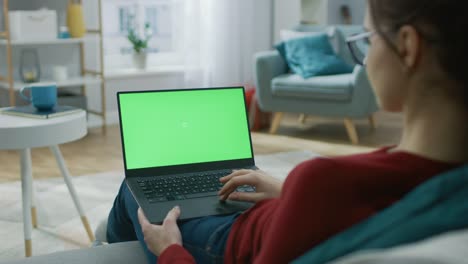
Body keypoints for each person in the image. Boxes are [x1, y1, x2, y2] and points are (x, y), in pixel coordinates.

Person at [106, 1, 468, 263]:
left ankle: (106, 251)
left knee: (132, 189)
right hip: (274, 213)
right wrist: (288, 192)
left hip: (226, 243)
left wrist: (170, 250)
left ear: (407, 46)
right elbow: (374, 201)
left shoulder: (324, 180)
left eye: (368, 40)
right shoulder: (449, 181)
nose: (366, 56)